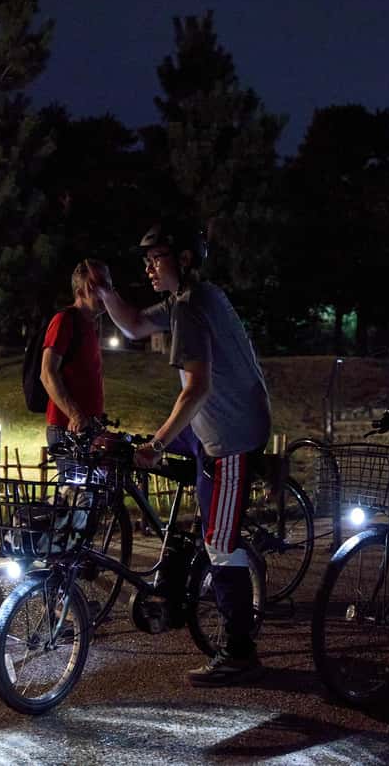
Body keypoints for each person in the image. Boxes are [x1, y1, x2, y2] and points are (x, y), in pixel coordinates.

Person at [90, 219, 271, 687]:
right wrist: (106, 291)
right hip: (218, 424)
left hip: (230, 437)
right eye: (147, 260)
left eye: (158, 258)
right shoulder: (190, 298)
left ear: (184, 259)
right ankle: (181, 561)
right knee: (158, 460)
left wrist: (157, 443)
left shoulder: (190, 308)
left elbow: (197, 389)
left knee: (220, 543)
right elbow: (133, 324)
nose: (149, 267)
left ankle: (239, 651)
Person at [41, 259, 109, 476]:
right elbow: (47, 373)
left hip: (88, 429)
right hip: (68, 429)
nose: (105, 293)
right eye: (97, 287)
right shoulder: (64, 320)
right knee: (77, 493)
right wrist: (75, 415)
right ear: (81, 291)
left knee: (95, 491)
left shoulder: (91, 325)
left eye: (107, 285)